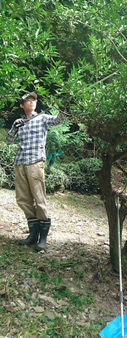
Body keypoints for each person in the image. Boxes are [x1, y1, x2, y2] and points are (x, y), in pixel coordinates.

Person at [6, 92, 65, 251]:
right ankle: (33, 234)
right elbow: (8, 141)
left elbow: (59, 120)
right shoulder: (19, 122)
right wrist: (14, 129)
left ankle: (43, 239)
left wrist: (65, 107)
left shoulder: (43, 118)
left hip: (35, 162)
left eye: (34, 100)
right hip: (20, 162)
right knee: (22, 199)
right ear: (22, 105)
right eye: (28, 100)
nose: (31, 102)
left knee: (39, 199)